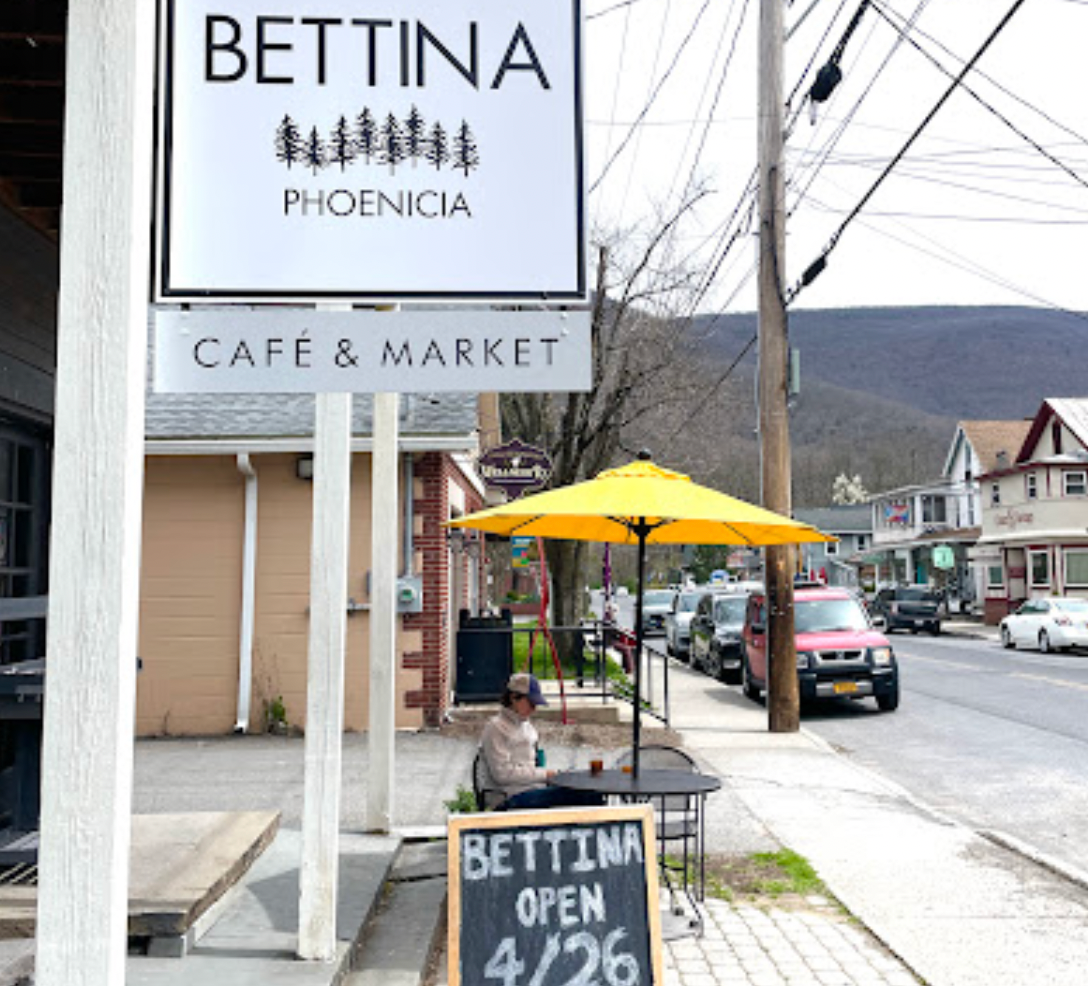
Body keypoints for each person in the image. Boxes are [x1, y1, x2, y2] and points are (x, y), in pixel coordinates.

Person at [479, 672, 603, 811]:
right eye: (531, 703)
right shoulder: (496, 728)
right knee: (583, 795)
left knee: (588, 790)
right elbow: (502, 774)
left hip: (532, 789)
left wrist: (553, 775)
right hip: (508, 797)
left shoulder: (526, 725)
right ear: (513, 697)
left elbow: (534, 764)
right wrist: (545, 774)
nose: (534, 708)